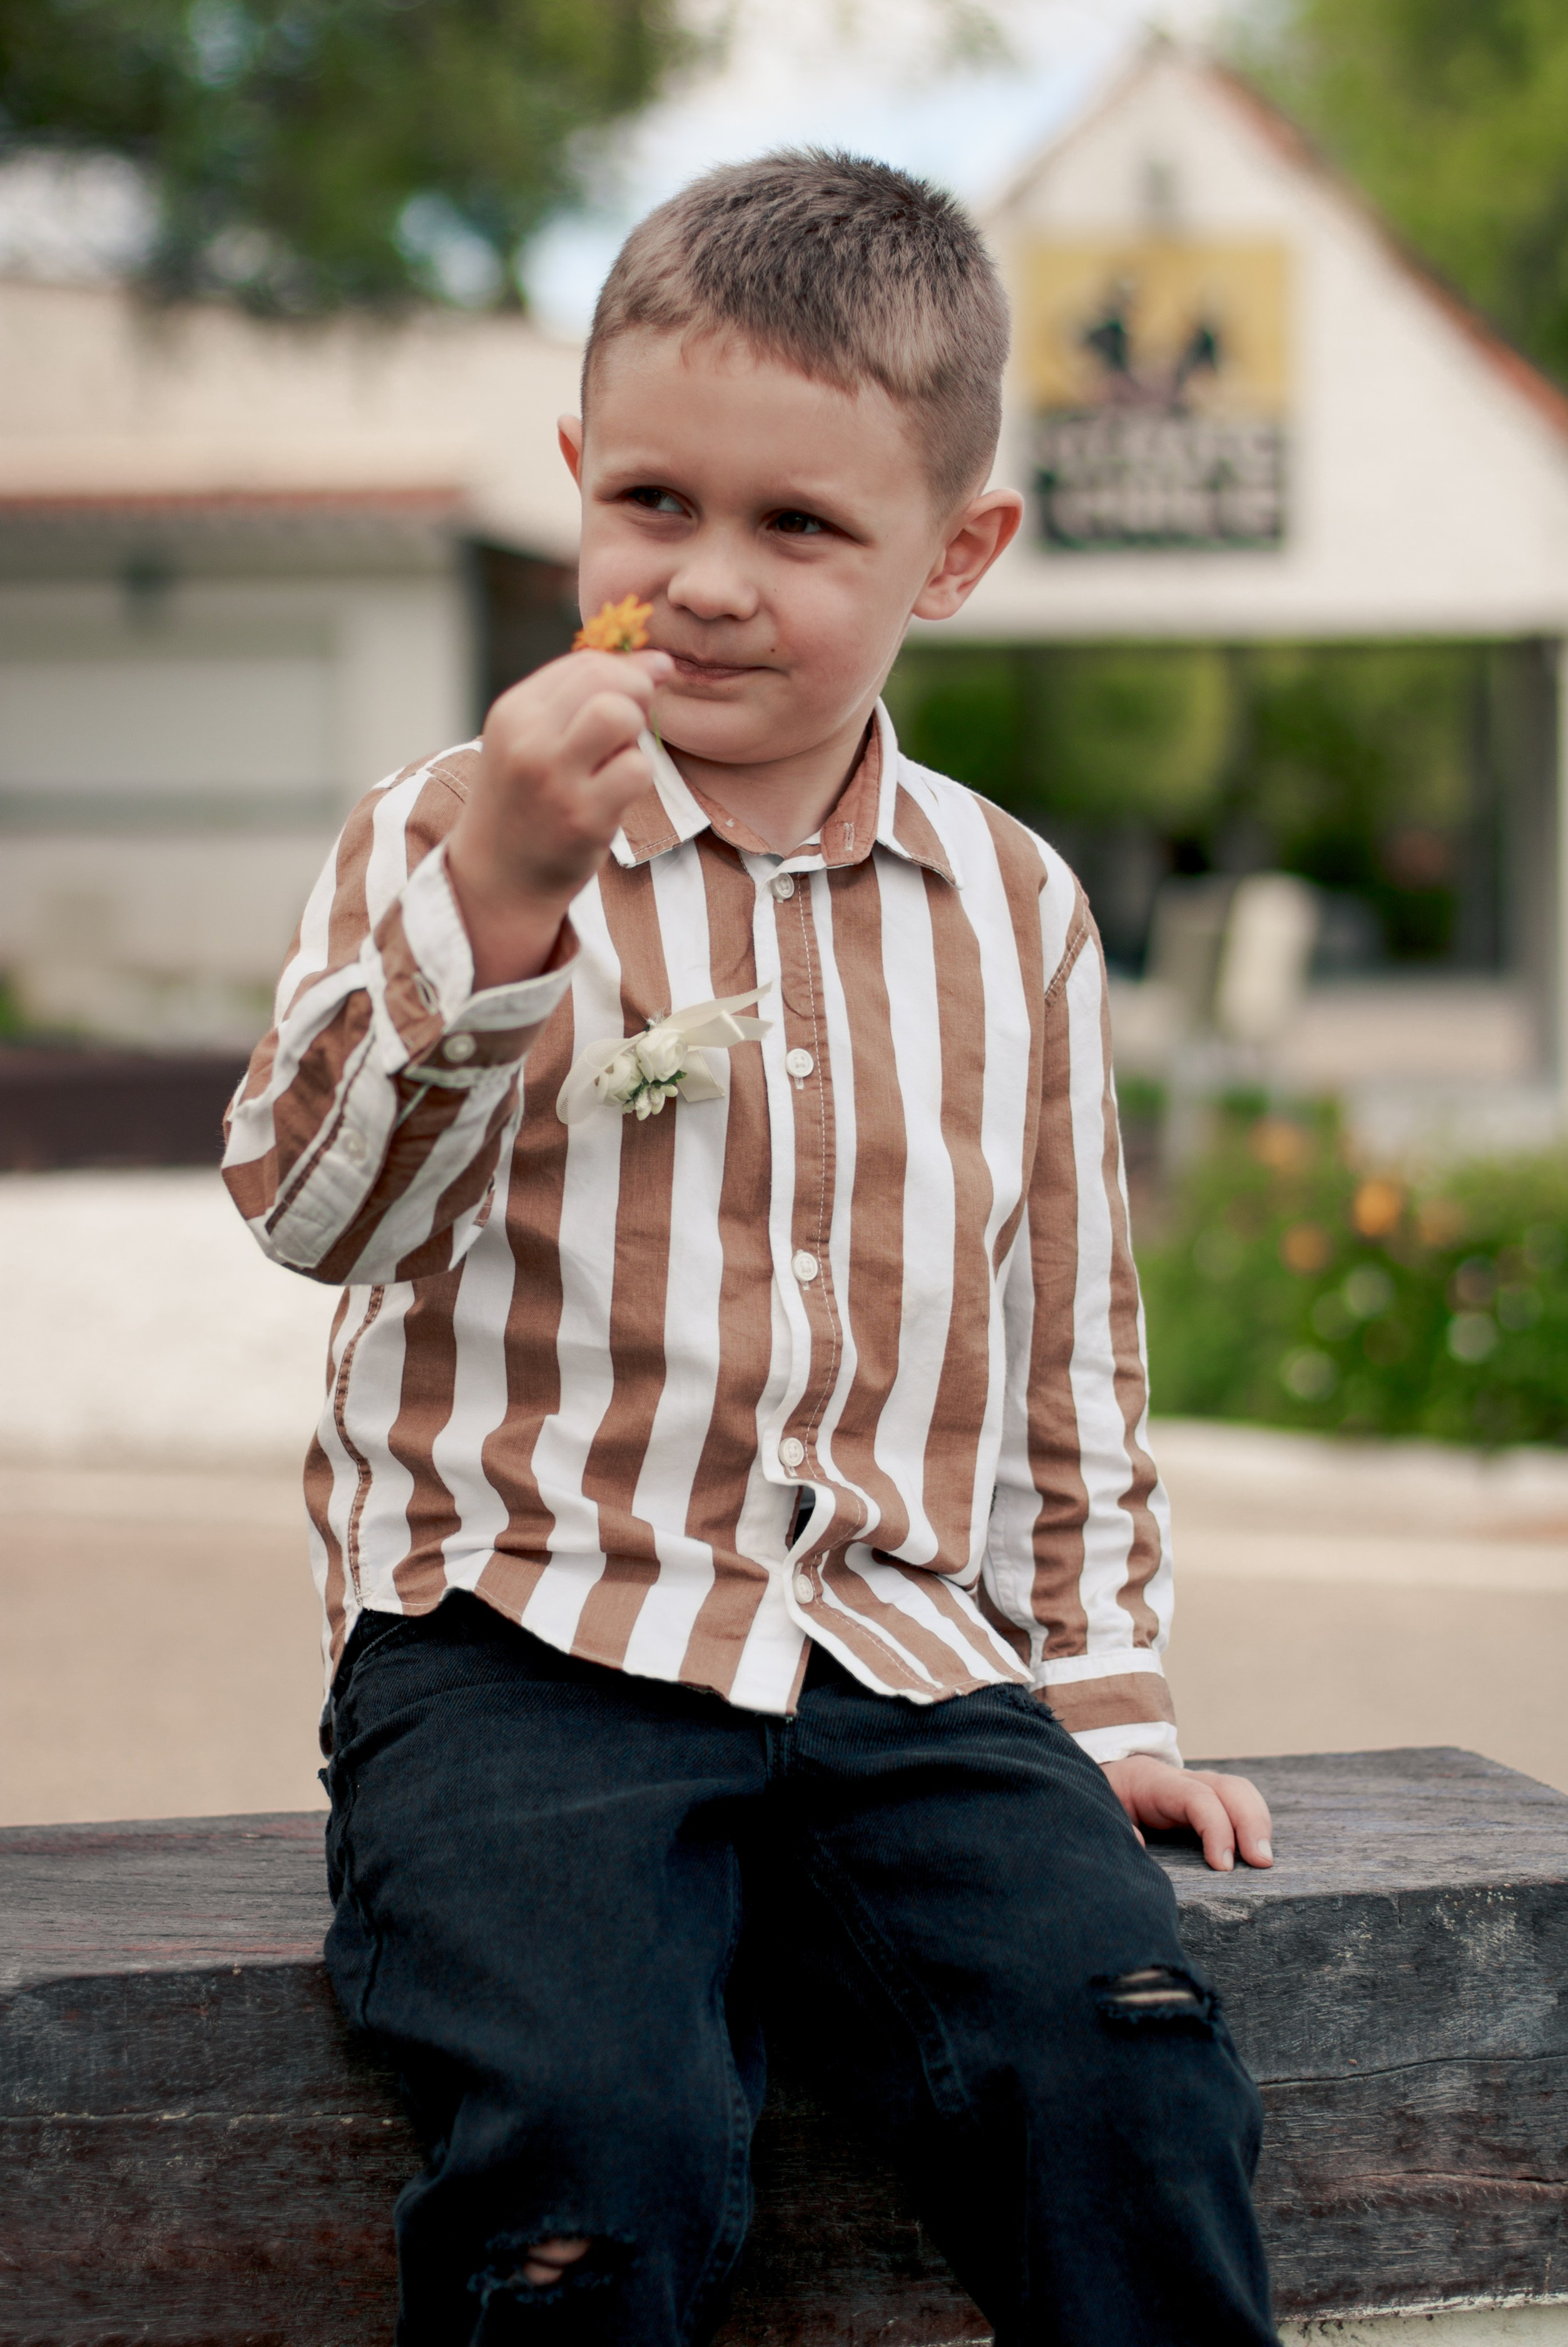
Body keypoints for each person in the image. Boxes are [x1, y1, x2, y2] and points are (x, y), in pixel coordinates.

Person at [225, 150, 1279, 2347]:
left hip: (897, 1646)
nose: (702, 583)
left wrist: (1100, 1691)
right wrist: (503, 894)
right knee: (599, 2137)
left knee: (1131, 2052)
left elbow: (1065, 1331)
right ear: (575, 492)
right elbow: (313, 1209)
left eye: (799, 528)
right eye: (653, 504)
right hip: (519, 1637)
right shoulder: (452, 828)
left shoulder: (1016, 907)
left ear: (957, 554)